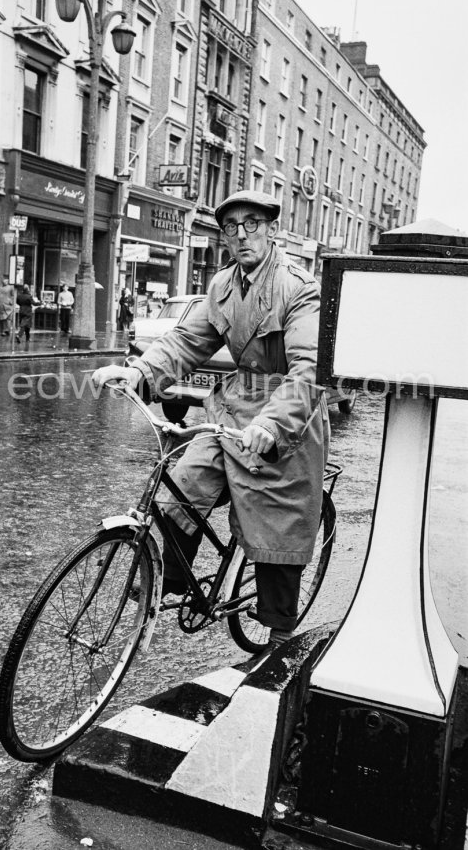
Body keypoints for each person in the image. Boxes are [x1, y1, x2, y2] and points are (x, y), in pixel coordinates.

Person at [92, 190, 329, 649]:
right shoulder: (222, 285)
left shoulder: (298, 288)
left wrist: (273, 424)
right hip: (234, 405)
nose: (241, 234)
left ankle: (280, 636)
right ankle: (175, 582)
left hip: (283, 418)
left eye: (253, 223)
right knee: (182, 485)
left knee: (276, 525)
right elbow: (185, 342)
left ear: (272, 229)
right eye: (231, 226)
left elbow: (307, 368)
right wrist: (139, 370)